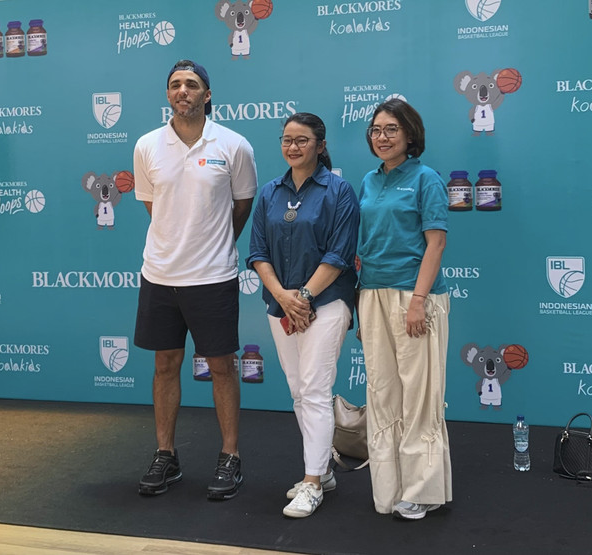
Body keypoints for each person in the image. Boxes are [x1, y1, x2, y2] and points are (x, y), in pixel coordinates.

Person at [132, 60, 257, 500]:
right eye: (175, 85)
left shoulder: (234, 145)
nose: (182, 91)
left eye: (191, 84)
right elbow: (155, 207)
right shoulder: (147, 145)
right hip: (159, 274)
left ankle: (230, 456)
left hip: (213, 276)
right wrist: (180, 241)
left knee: (221, 367)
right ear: (168, 94)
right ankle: (166, 455)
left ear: (207, 94)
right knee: (164, 365)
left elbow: (242, 205)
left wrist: (213, 242)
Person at [247, 113, 359, 518]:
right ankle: (322, 472)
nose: (293, 147)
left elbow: (340, 254)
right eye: (287, 140)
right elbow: (257, 252)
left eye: (302, 140)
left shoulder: (339, 190)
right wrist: (284, 296)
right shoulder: (269, 193)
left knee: (314, 388)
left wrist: (306, 296)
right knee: (299, 390)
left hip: (327, 302)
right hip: (282, 304)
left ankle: (312, 482)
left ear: (320, 145)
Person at [356, 98, 452, 520]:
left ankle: (422, 491)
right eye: (376, 130)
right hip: (372, 294)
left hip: (415, 296)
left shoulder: (427, 179)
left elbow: (436, 243)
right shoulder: (368, 180)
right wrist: (363, 307)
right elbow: (364, 246)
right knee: (382, 394)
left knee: (419, 396)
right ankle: (389, 489)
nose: (382, 137)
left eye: (391, 129)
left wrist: (417, 301)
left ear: (410, 135)